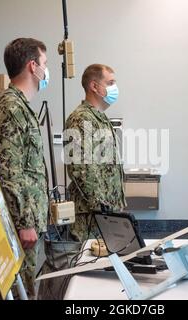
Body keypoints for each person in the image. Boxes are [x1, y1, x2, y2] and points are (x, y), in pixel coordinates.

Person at [0, 38, 50, 299]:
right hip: (18, 228)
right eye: (44, 63)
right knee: (13, 293)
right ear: (32, 66)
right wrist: (24, 222)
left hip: (26, 224)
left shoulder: (20, 106)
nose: (46, 70)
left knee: (25, 291)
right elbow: (9, 170)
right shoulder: (10, 107)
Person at [64, 64, 126, 243]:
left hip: (106, 212)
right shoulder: (81, 119)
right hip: (91, 215)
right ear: (94, 86)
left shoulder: (100, 118)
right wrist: (101, 208)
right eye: (110, 82)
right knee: (87, 265)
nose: (114, 88)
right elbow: (81, 169)